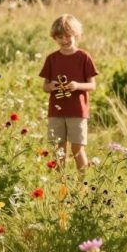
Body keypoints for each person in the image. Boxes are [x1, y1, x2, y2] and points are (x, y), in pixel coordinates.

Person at [39, 14, 97, 170]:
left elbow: (92, 86)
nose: (64, 40)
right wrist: (52, 86)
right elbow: (45, 86)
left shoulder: (83, 57)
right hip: (56, 112)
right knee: (59, 150)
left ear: (76, 35)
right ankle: (61, 185)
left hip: (77, 112)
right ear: (54, 38)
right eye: (59, 37)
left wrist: (77, 85)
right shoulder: (52, 58)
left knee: (77, 148)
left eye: (67, 36)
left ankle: (83, 185)